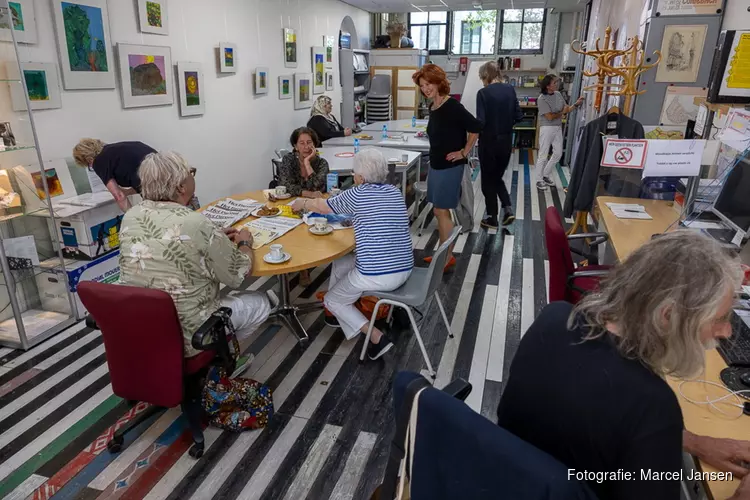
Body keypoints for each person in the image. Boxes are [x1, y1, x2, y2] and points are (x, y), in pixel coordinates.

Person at [496, 231, 750, 499]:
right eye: (719, 318)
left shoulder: (555, 318)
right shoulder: (652, 405)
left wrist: (690, 441)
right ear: (669, 316)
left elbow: (590, 421)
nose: (726, 332)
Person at [118, 151, 271, 377]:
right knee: (261, 303)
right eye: (191, 173)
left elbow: (163, 241)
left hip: (142, 327)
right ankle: (222, 362)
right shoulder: (195, 222)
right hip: (190, 335)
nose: (193, 177)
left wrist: (213, 237)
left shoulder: (131, 215)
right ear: (181, 187)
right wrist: (245, 242)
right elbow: (240, 273)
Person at [291, 149, 413, 360]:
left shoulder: (358, 194)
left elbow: (322, 206)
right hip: (404, 266)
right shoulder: (393, 191)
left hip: (379, 274)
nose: (353, 176)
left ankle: (375, 337)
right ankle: (337, 317)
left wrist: (301, 203)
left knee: (332, 300)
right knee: (341, 261)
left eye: (354, 173)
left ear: (361, 177)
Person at [413, 64, 482, 271]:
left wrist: (463, 152)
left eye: (429, 84)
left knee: (442, 210)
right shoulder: (433, 106)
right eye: (423, 85)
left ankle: (446, 256)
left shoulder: (452, 106)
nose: (426, 88)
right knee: (438, 210)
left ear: (439, 83)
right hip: (436, 165)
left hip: (449, 167)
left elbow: (476, 127)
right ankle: (444, 254)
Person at [475, 61, 523, 228]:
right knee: (496, 177)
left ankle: (492, 218)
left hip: (488, 142)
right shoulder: (510, 89)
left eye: (482, 78)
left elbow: (480, 121)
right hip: (506, 142)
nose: (482, 81)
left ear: (486, 76)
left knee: (488, 180)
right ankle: (508, 208)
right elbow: (519, 116)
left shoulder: (483, 93)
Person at [73, 138, 156, 212]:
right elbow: (141, 184)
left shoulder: (99, 161)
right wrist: (128, 192)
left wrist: (132, 221)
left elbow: (119, 196)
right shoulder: (121, 148)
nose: (91, 167)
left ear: (87, 159)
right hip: (165, 174)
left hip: (155, 188)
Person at [534, 75, 583, 191]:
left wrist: (576, 104)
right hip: (547, 127)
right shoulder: (542, 99)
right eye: (554, 83)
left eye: (556, 82)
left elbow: (567, 109)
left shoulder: (558, 94)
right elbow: (549, 117)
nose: (556, 84)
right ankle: (538, 180)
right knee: (543, 154)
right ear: (547, 86)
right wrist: (562, 112)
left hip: (557, 127)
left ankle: (545, 174)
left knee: (558, 153)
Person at [279, 127, 330, 198]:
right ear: (296, 147)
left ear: (314, 145)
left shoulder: (322, 163)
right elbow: (285, 185)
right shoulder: (289, 159)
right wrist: (309, 194)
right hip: (292, 203)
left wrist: (307, 164)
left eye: (309, 142)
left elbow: (318, 189)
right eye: (302, 143)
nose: (306, 147)